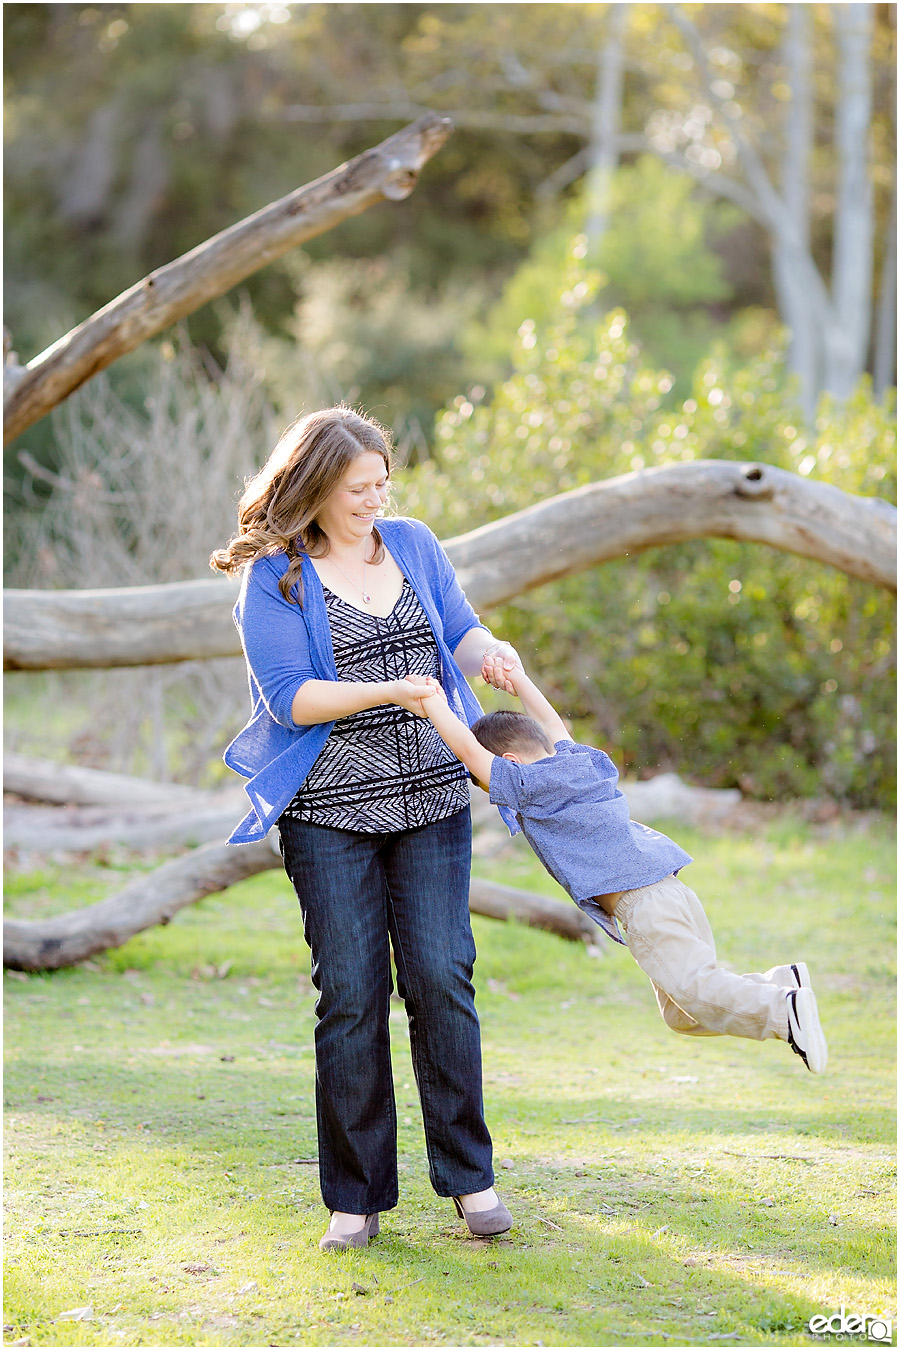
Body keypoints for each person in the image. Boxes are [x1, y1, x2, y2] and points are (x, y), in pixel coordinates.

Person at [210, 406, 519, 1252]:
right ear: (313, 487)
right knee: (350, 996)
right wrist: (387, 690)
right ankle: (355, 1200)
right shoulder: (275, 575)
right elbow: (290, 697)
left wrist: (492, 655)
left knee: (442, 977)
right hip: (328, 815)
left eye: (382, 481)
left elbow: (458, 630)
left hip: (431, 803)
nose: (374, 499)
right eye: (357, 488)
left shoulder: (412, 542)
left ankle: (471, 1181)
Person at [408, 667, 828, 1074]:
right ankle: (777, 983)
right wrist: (518, 678)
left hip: (642, 904)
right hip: (670, 890)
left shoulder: (527, 785)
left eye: (487, 785)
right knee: (681, 1014)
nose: (492, 791)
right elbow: (552, 722)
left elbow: (468, 751)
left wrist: (433, 701)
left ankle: (783, 1012)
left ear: (510, 763)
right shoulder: (576, 759)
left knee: (696, 994)